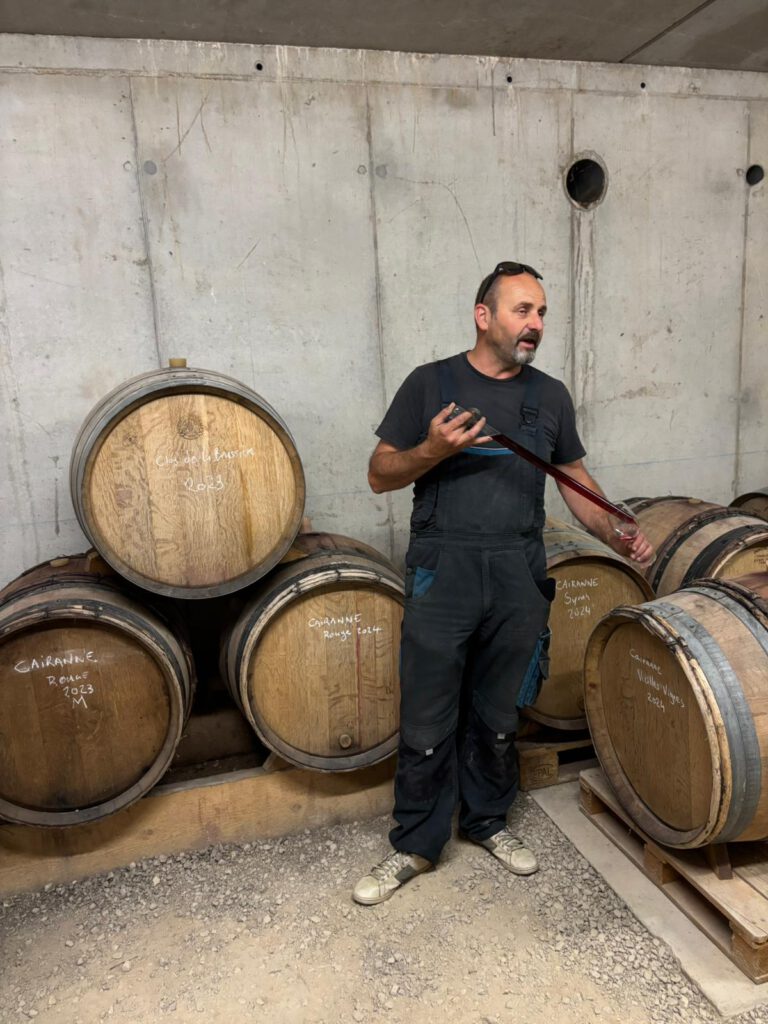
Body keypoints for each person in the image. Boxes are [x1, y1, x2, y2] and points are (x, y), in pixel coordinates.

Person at [352, 260, 654, 906]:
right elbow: (379, 474)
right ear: (483, 316)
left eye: (541, 312)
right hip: (444, 570)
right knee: (427, 714)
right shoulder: (430, 384)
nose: (535, 323)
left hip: (519, 570)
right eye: (523, 310)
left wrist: (617, 531)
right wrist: (431, 450)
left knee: (497, 712)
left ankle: (487, 822)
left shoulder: (550, 396)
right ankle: (415, 843)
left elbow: (576, 481)